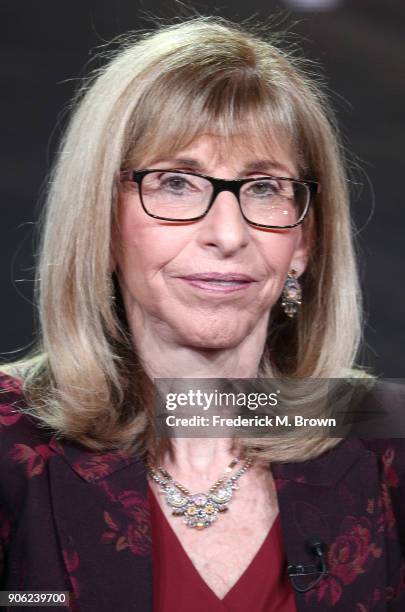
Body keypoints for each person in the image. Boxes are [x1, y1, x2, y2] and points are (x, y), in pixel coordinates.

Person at [0, 16, 404, 612]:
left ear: (303, 241)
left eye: (264, 187)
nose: (228, 233)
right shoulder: (12, 441)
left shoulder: (385, 440)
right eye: (177, 182)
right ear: (103, 224)